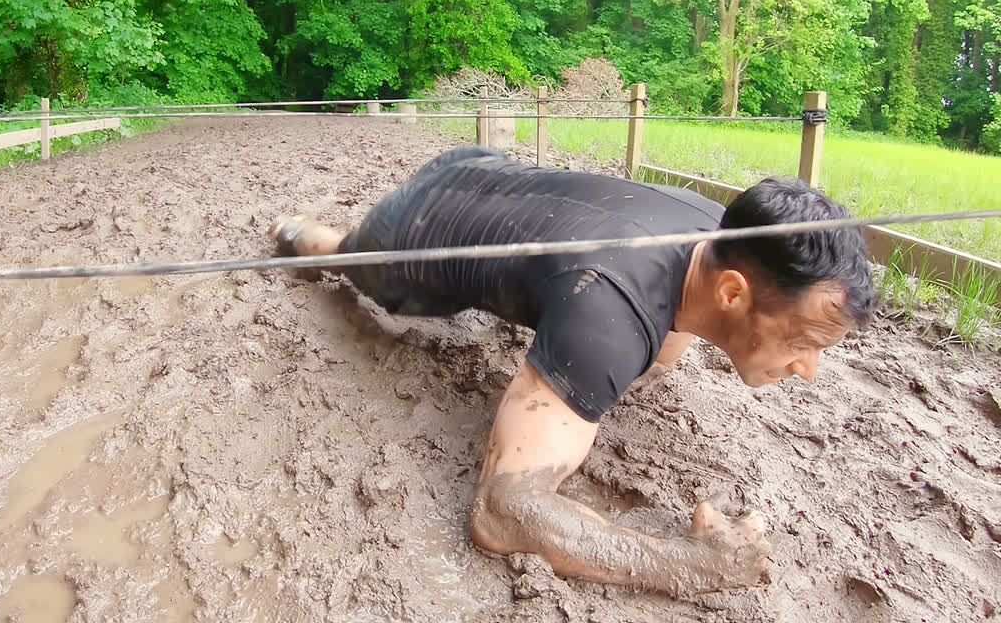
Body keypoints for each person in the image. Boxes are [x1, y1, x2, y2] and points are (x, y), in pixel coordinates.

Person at [268, 146, 875, 595]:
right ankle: (299, 236)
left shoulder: (722, 232)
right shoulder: (608, 315)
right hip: (415, 230)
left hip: (486, 171)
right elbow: (503, 510)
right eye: (805, 342)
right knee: (351, 258)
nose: (809, 369)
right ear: (734, 293)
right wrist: (694, 564)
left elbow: (672, 323)